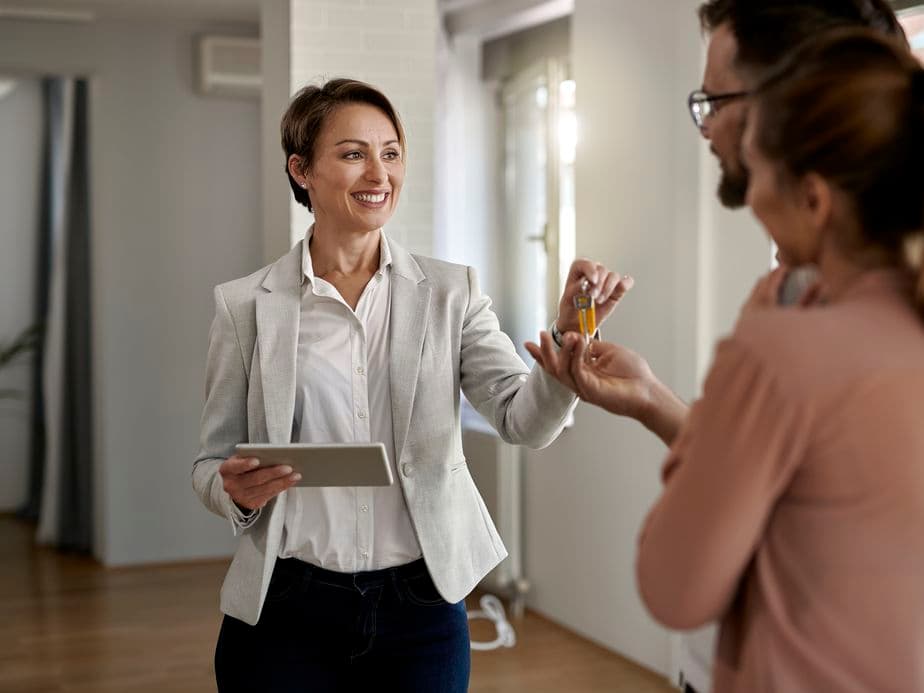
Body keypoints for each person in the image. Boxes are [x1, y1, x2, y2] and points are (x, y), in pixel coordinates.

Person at [191, 78, 631, 692]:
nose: (379, 173)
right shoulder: (244, 306)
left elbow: (521, 420)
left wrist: (563, 340)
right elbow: (212, 461)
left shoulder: (453, 293)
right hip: (287, 607)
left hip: (420, 609)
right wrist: (232, 490)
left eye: (391, 152)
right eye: (353, 154)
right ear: (301, 170)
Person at [528, 2, 905, 691]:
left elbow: (673, 582)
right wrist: (653, 401)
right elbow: (794, 482)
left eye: (717, 100)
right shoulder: (795, 293)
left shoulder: (785, 339)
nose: (706, 127)